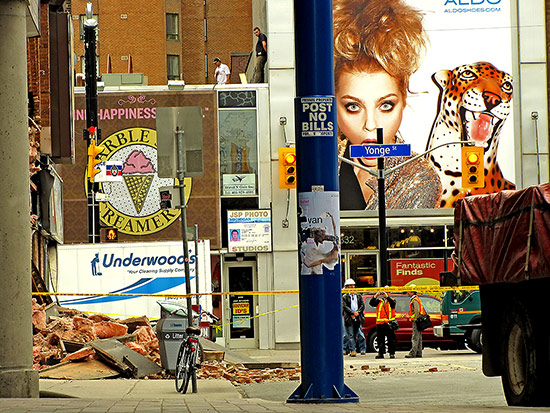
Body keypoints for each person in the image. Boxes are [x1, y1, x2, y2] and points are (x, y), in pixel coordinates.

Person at [333, 0, 442, 210]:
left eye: (385, 105)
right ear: (335, 103)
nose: (371, 124)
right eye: (353, 107)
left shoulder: (418, 177)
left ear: (403, 101)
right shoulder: (322, 167)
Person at [342, 278, 366, 356]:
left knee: (359, 334)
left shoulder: (358, 296)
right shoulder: (345, 297)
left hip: (358, 317)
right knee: (350, 334)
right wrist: (352, 313)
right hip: (349, 318)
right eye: (349, 286)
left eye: (352, 286)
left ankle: (362, 349)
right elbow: (345, 306)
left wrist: (358, 312)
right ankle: (352, 350)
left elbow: (362, 305)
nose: (351, 288)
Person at [369, 290, 396, 359]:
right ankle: (381, 353)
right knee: (380, 339)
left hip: (389, 323)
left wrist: (387, 297)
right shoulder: (379, 301)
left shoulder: (392, 300)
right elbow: (371, 303)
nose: (385, 293)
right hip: (380, 323)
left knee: (391, 339)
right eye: (384, 292)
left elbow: (393, 305)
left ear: (390, 293)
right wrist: (375, 296)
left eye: (387, 292)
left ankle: (391, 353)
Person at [406, 286, 426, 358]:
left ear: (412, 292)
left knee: (415, 337)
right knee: (419, 337)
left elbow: (416, 311)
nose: (407, 292)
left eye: (408, 291)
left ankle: (413, 353)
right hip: (419, 320)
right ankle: (418, 352)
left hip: (416, 321)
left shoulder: (414, 300)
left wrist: (415, 319)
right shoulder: (416, 299)